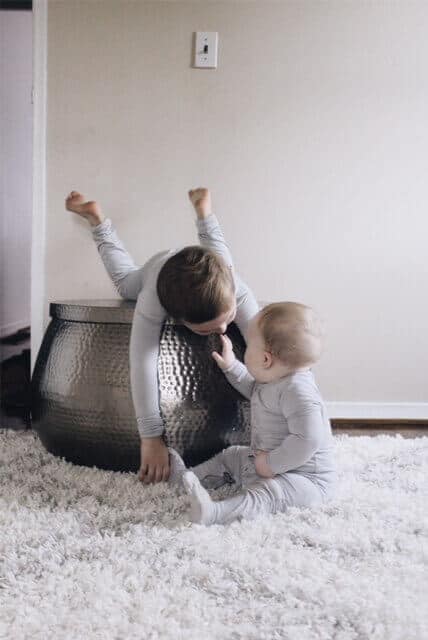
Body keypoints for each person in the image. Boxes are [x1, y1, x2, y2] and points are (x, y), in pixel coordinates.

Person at [65, 188, 259, 484]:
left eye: (227, 319)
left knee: (218, 247)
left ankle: (204, 211)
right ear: (175, 318)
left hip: (214, 264)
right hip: (160, 267)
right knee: (124, 282)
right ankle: (98, 221)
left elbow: (267, 346)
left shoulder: (234, 283)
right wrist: (151, 438)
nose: (222, 331)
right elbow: (141, 364)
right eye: (206, 331)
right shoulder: (153, 297)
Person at [173, 302, 337, 525]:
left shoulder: (299, 391)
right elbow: (254, 389)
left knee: (268, 493)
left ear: (266, 359)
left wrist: (271, 464)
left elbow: (308, 439)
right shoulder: (274, 380)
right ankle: (184, 480)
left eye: (249, 346)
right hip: (266, 462)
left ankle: (216, 513)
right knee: (231, 456)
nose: (245, 350)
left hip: (306, 481)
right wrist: (231, 366)